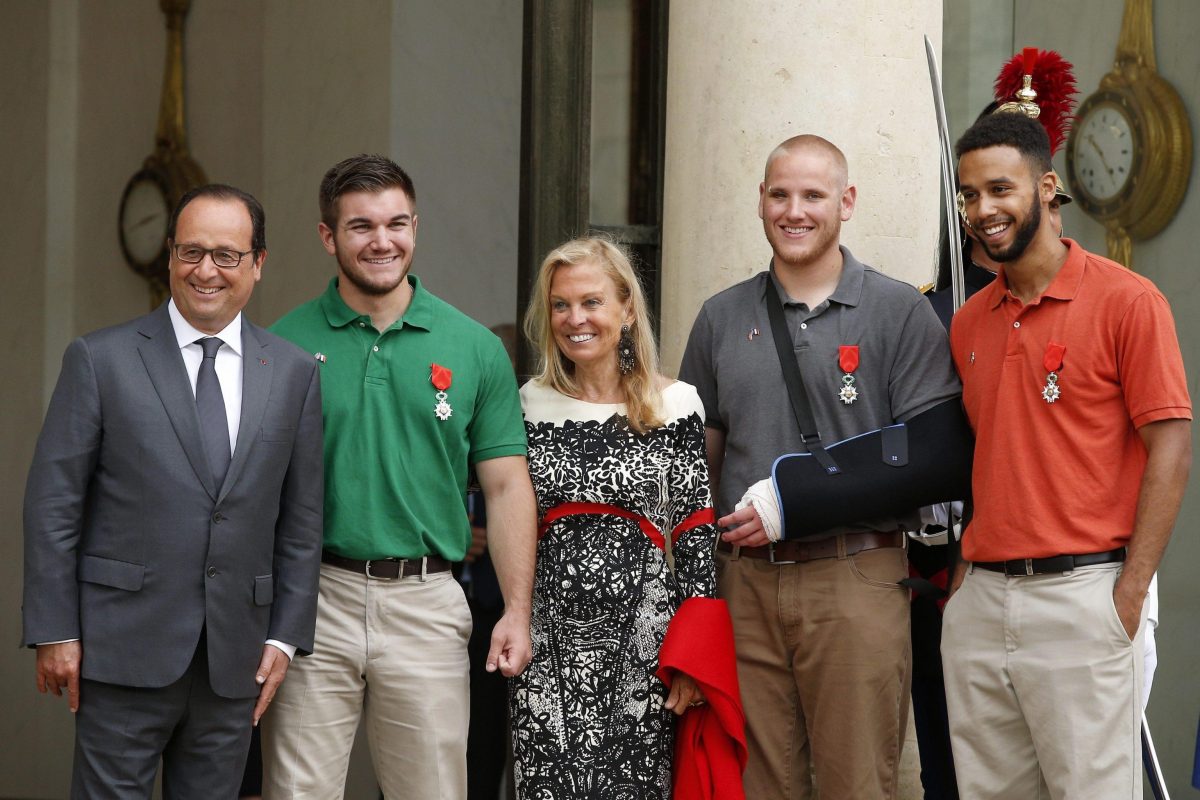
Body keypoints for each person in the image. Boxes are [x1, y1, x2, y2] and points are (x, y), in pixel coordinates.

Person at [679, 134, 961, 799]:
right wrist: (694, 590)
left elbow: (934, 457)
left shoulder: (899, 312)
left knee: (857, 784)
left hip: (855, 577)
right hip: (744, 587)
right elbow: (697, 465)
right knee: (757, 785)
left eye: (813, 195)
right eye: (780, 194)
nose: (794, 210)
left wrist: (800, 501)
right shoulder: (721, 317)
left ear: (847, 201)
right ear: (760, 202)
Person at [22, 184, 324, 798]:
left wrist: (285, 636)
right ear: (169, 256)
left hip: (235, 660)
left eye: (226, 255)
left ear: (259, 263)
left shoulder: (293, 373)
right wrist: (55, 629)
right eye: (190, 251)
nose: (205, 270)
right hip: (120, 649)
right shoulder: (100, 359)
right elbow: (55, 504)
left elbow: (301, 519)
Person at [263, 154, 536, 800]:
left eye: (397, 223)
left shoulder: (473, 347)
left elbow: (505, 487)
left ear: (416, 227)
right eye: (360, 227)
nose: (381, 241)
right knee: (297, 793)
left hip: (427, 600)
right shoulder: (282, 345)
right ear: (328, 236)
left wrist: (518, 611)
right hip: (313, 601)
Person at [944, 110, 1191, 799]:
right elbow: (987, 454)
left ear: (1048, 188)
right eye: (969, 195)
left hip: (1087, 597)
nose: (983, 210)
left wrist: (1131, 591)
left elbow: (1170, 444)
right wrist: (965, 576)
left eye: (1000, 189)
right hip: (983, 603)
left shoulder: (1128, 301)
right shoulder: (968, 321)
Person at [511, 237, 719, 798]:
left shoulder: (677, 404)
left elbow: (695, 536)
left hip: (647, 649)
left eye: (591, 302)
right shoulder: (526, 405)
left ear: (627, 309)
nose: (575, 319)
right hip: (547, 643)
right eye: (560, 305)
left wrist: (695, 654)